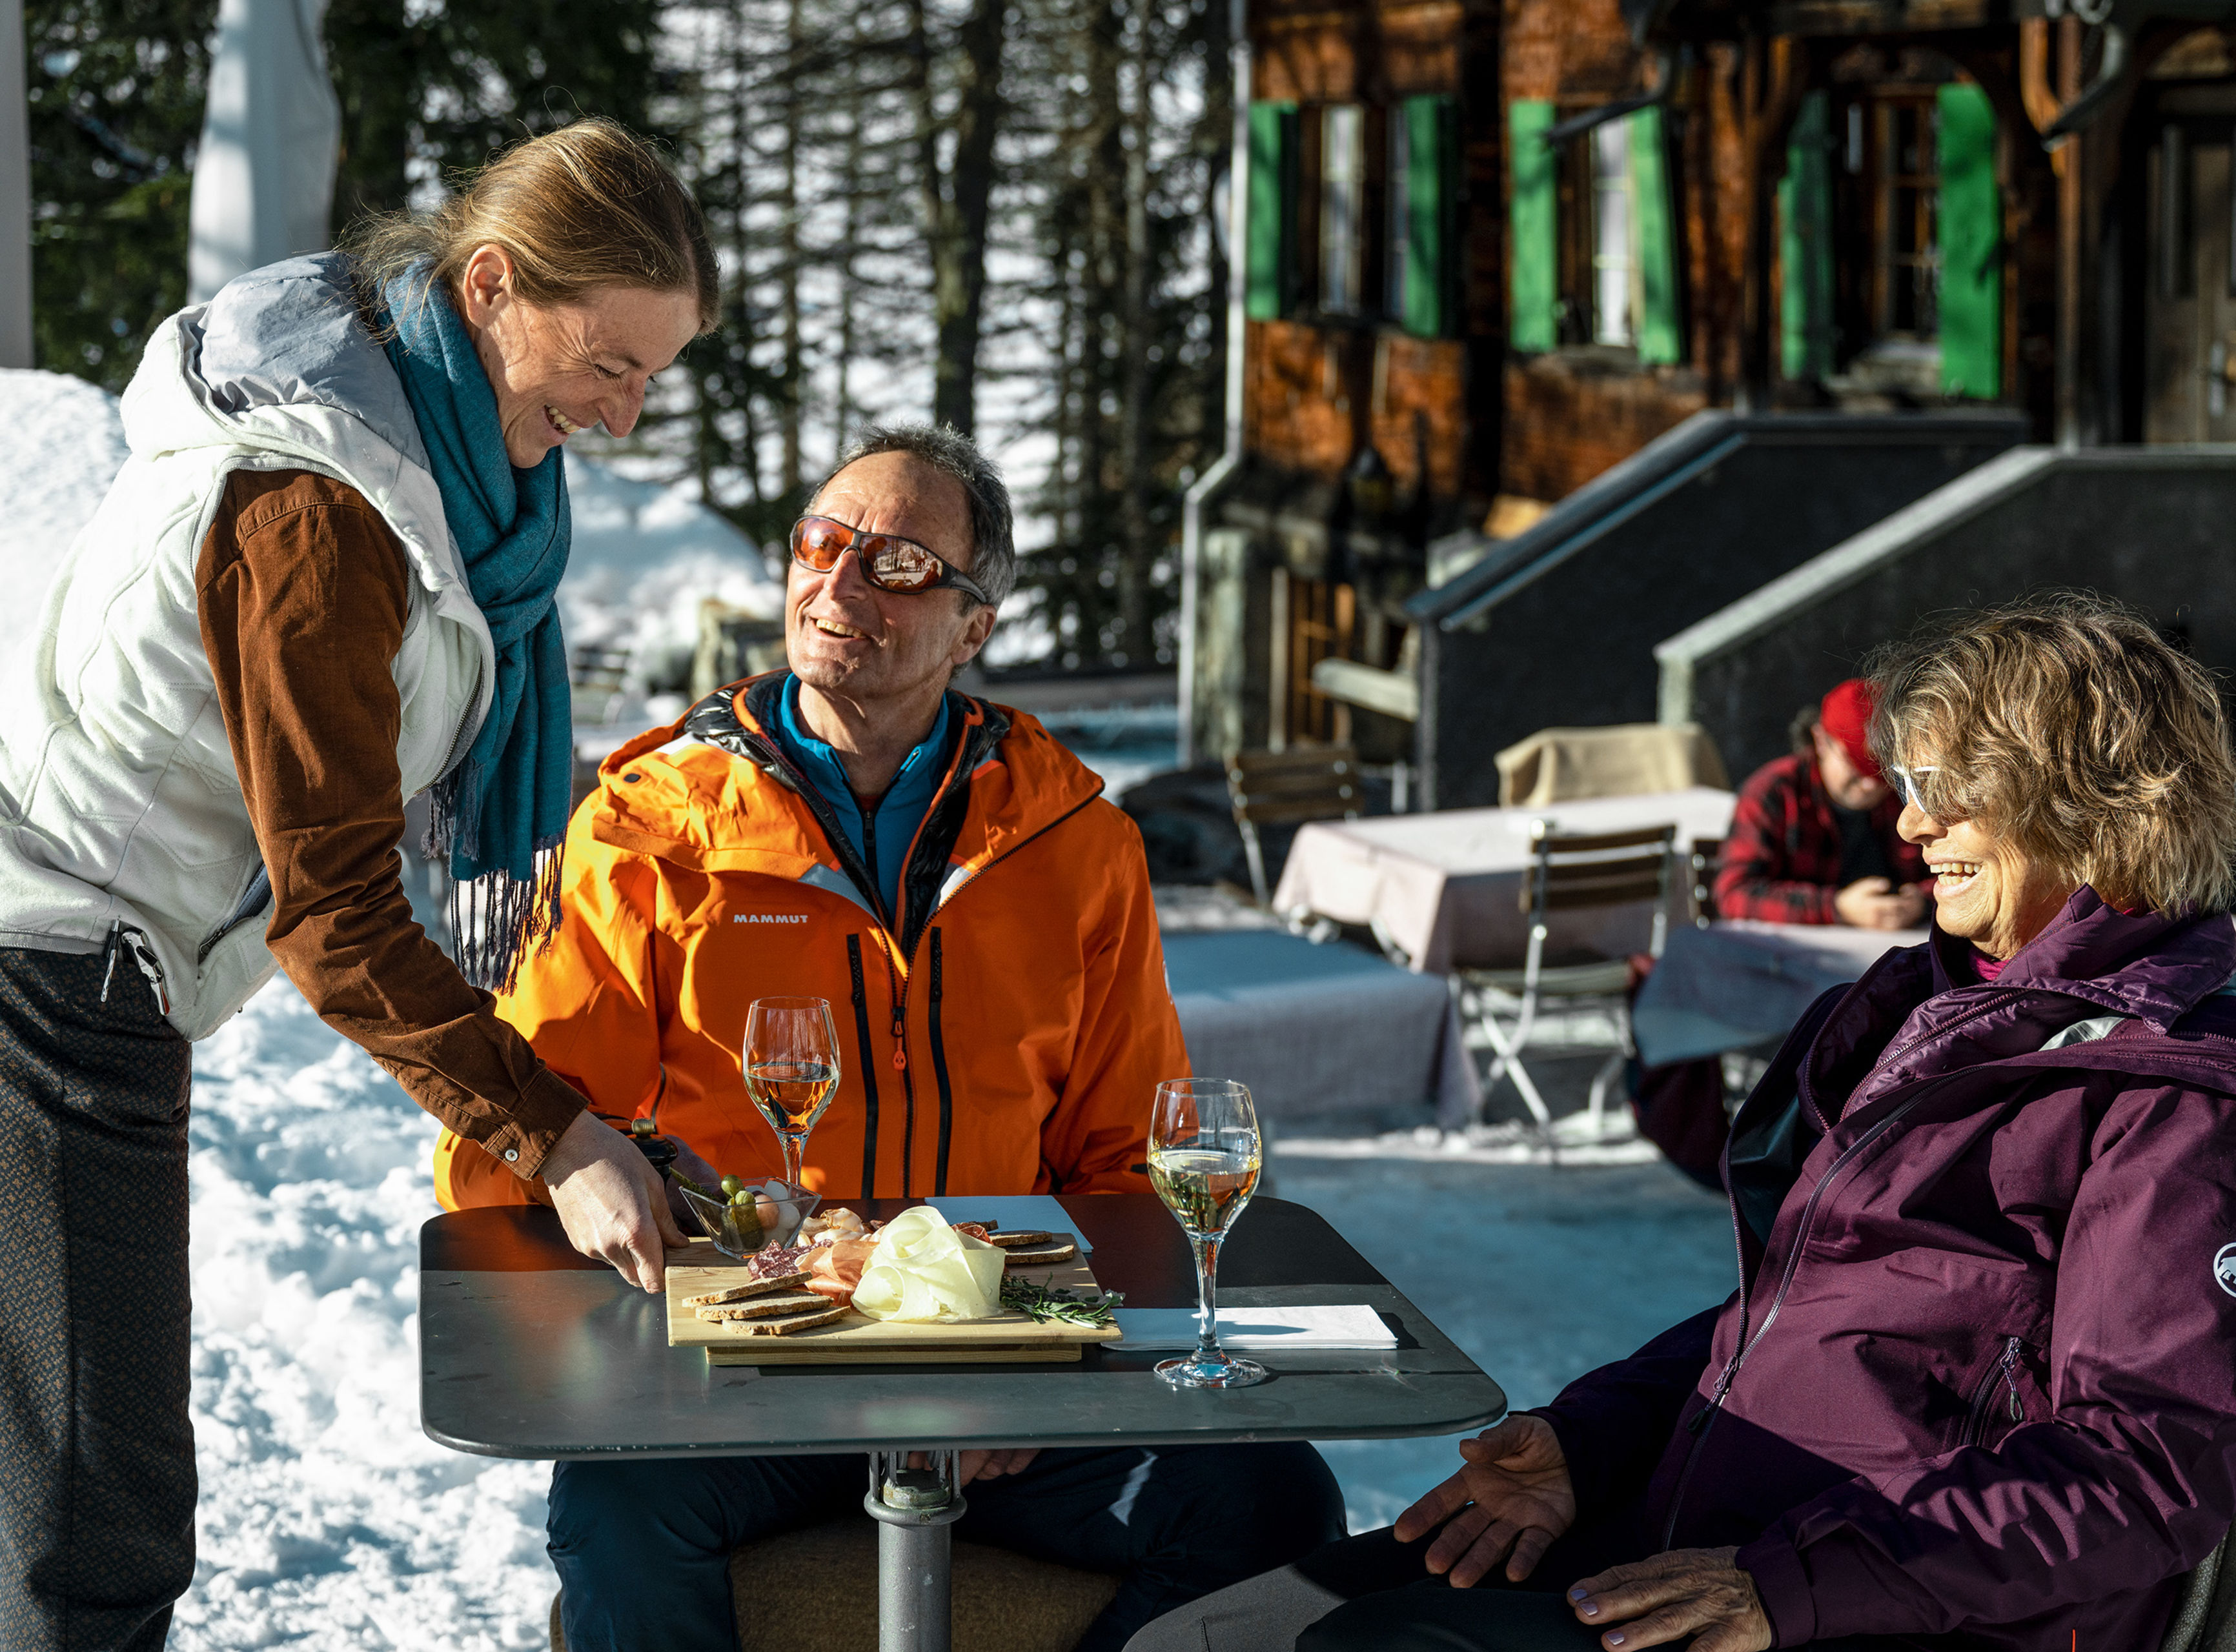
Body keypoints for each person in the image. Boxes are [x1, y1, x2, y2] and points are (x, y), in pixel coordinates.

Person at [1127, 592, 2236, 1652]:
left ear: (2095, 802)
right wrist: (1587, 1441)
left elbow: (2137, 1472)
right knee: (1230, 1628)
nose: (1911, 823)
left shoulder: (2196, 1107)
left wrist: (1788, 1588)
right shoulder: (1947, 1013)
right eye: (1910, 782)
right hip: (1722, 1548)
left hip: (1882, 1607)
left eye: (1948, 787)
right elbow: (1801, 1309)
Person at [438, 425, 1343, 1652]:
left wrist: (1032, 1359)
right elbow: (516, 1144)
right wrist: (629, 1184)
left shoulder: (1075, 843)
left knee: (1278, 1504)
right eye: (821, 543)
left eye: (900, 565)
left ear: (973, 628)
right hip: (751, 1356)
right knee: (616, 1517)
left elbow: (1128, 1158)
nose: (840, 584)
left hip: (1000, 1352)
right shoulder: (647, 832)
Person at [0, 119, 715, 1647]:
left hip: (98, 964)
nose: (624, 413)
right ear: (494, 285)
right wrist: (553, 1135)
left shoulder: (443, 485)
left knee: (61, 1483)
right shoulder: (321, 508)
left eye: (653, 376)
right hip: (46, 969)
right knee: (90, 1514)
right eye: (609, 363)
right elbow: (334, 909)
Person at [1712, 678, 1927, 931]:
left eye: (1882, 773)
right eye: (1856, 766)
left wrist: (1921, 902)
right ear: (1821, 741)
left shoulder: (1904, 792)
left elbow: (1953, 867)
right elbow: (1734, 895)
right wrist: (1837, 908)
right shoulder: (1774, 793)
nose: (1870, 785)